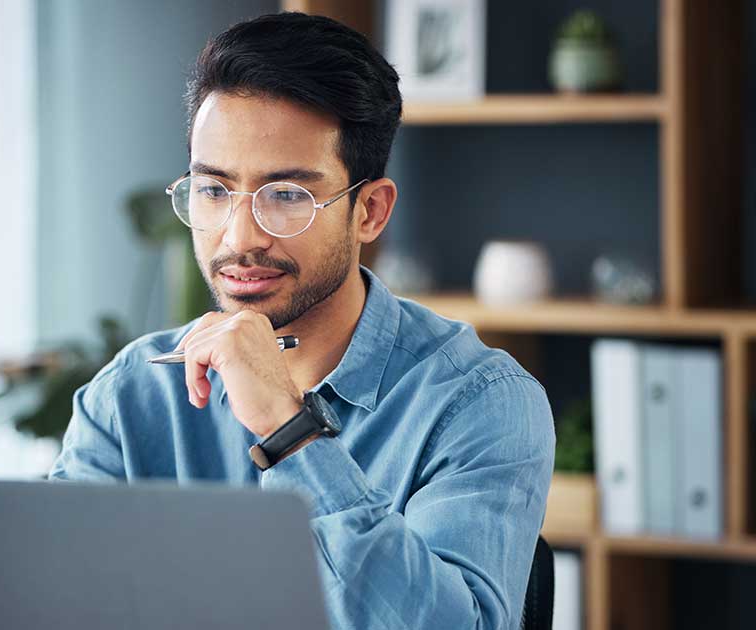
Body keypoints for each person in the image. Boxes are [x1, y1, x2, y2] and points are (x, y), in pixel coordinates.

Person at [50, 12, 554, 630]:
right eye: (214, 191)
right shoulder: (131, 395)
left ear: (369, 211)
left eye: (286, 196)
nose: (239, 238)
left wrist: (290, 432)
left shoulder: (481, 403)